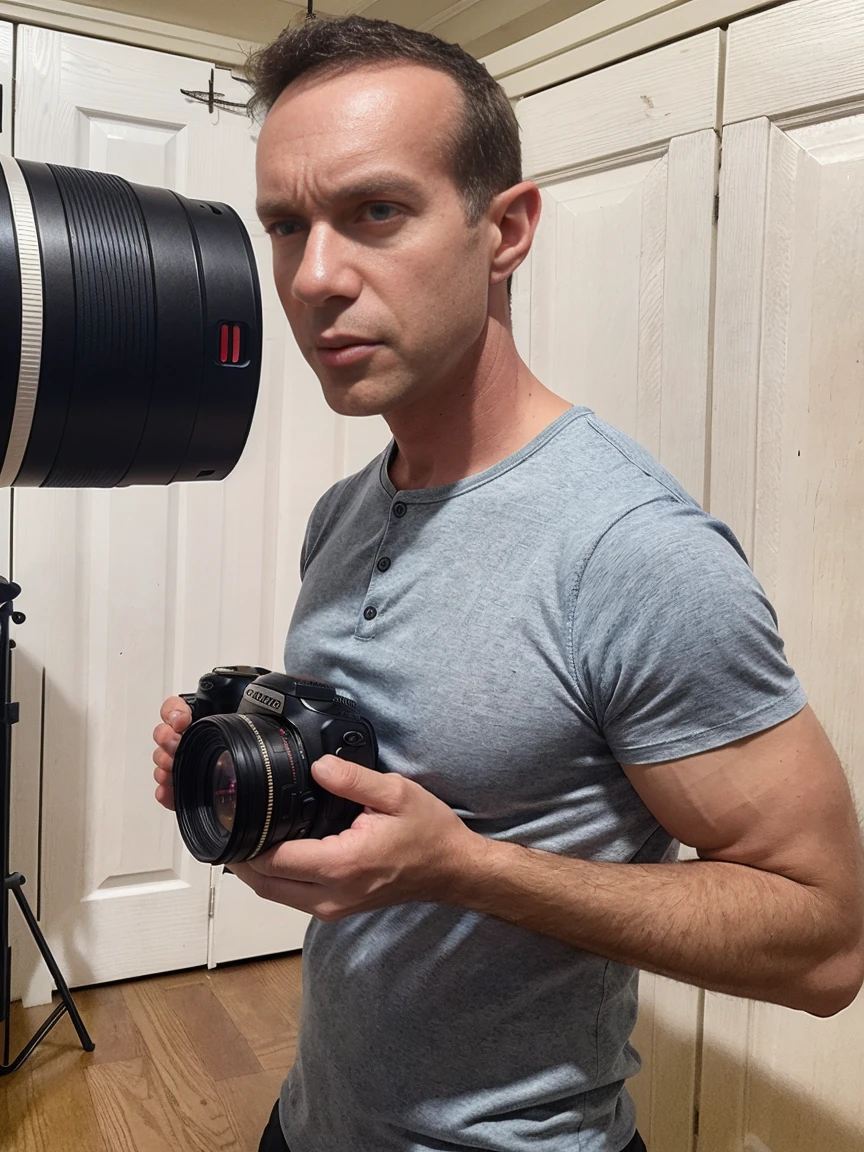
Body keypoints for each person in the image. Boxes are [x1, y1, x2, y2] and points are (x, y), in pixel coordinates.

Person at [152, 16, 864, 1152]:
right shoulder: (343, 511)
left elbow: (828, 941)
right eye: (287, 226)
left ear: (506, 230)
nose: (316, 276)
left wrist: (463, 866)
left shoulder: (631, 550)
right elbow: (379, 810)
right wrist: (247, 785)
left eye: (375, 212)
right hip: (311, 1121)